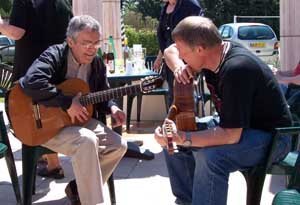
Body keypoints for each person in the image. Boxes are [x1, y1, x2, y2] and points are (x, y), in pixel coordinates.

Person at [154, 16, 292, 205]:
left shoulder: (237, 69)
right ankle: (187, 201)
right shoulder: (213, 54)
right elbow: (170, 51)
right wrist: (179, 68)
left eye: (184, 53)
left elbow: (230, 136)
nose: (182, 57)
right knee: (173, 141)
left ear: (200, 49)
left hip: (272, 138)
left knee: (210, 157)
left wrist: (183, 137)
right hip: (238, 127)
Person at [18, 15, 127, 205]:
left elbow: (103, 92)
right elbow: (32, 81)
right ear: (70, 41)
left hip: (76, 123)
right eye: (86, 43)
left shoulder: (96, 63)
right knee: (87, 140)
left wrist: (113, 106)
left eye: (96, 43)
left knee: (118, 145)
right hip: (43, 124)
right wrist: (67, 103)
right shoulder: (55, 55)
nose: (92, 48)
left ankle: (78, 190)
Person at [0, 0, 73, 179]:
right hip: (58, 71)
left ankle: (43, 158)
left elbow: (16, 32)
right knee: (50, 117)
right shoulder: (64, 2)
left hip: (31, 76)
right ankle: (53, 164)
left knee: (28, 122)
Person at [153, 0, 203, 107]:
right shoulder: (165, 8)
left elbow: (199, 31)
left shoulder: (190, 4)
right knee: (173, 92)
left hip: (186, 58)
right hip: (170, 59)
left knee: (186, 92)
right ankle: (173, 122)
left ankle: (188, 121)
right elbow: (165, 36)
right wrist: (159, 57)